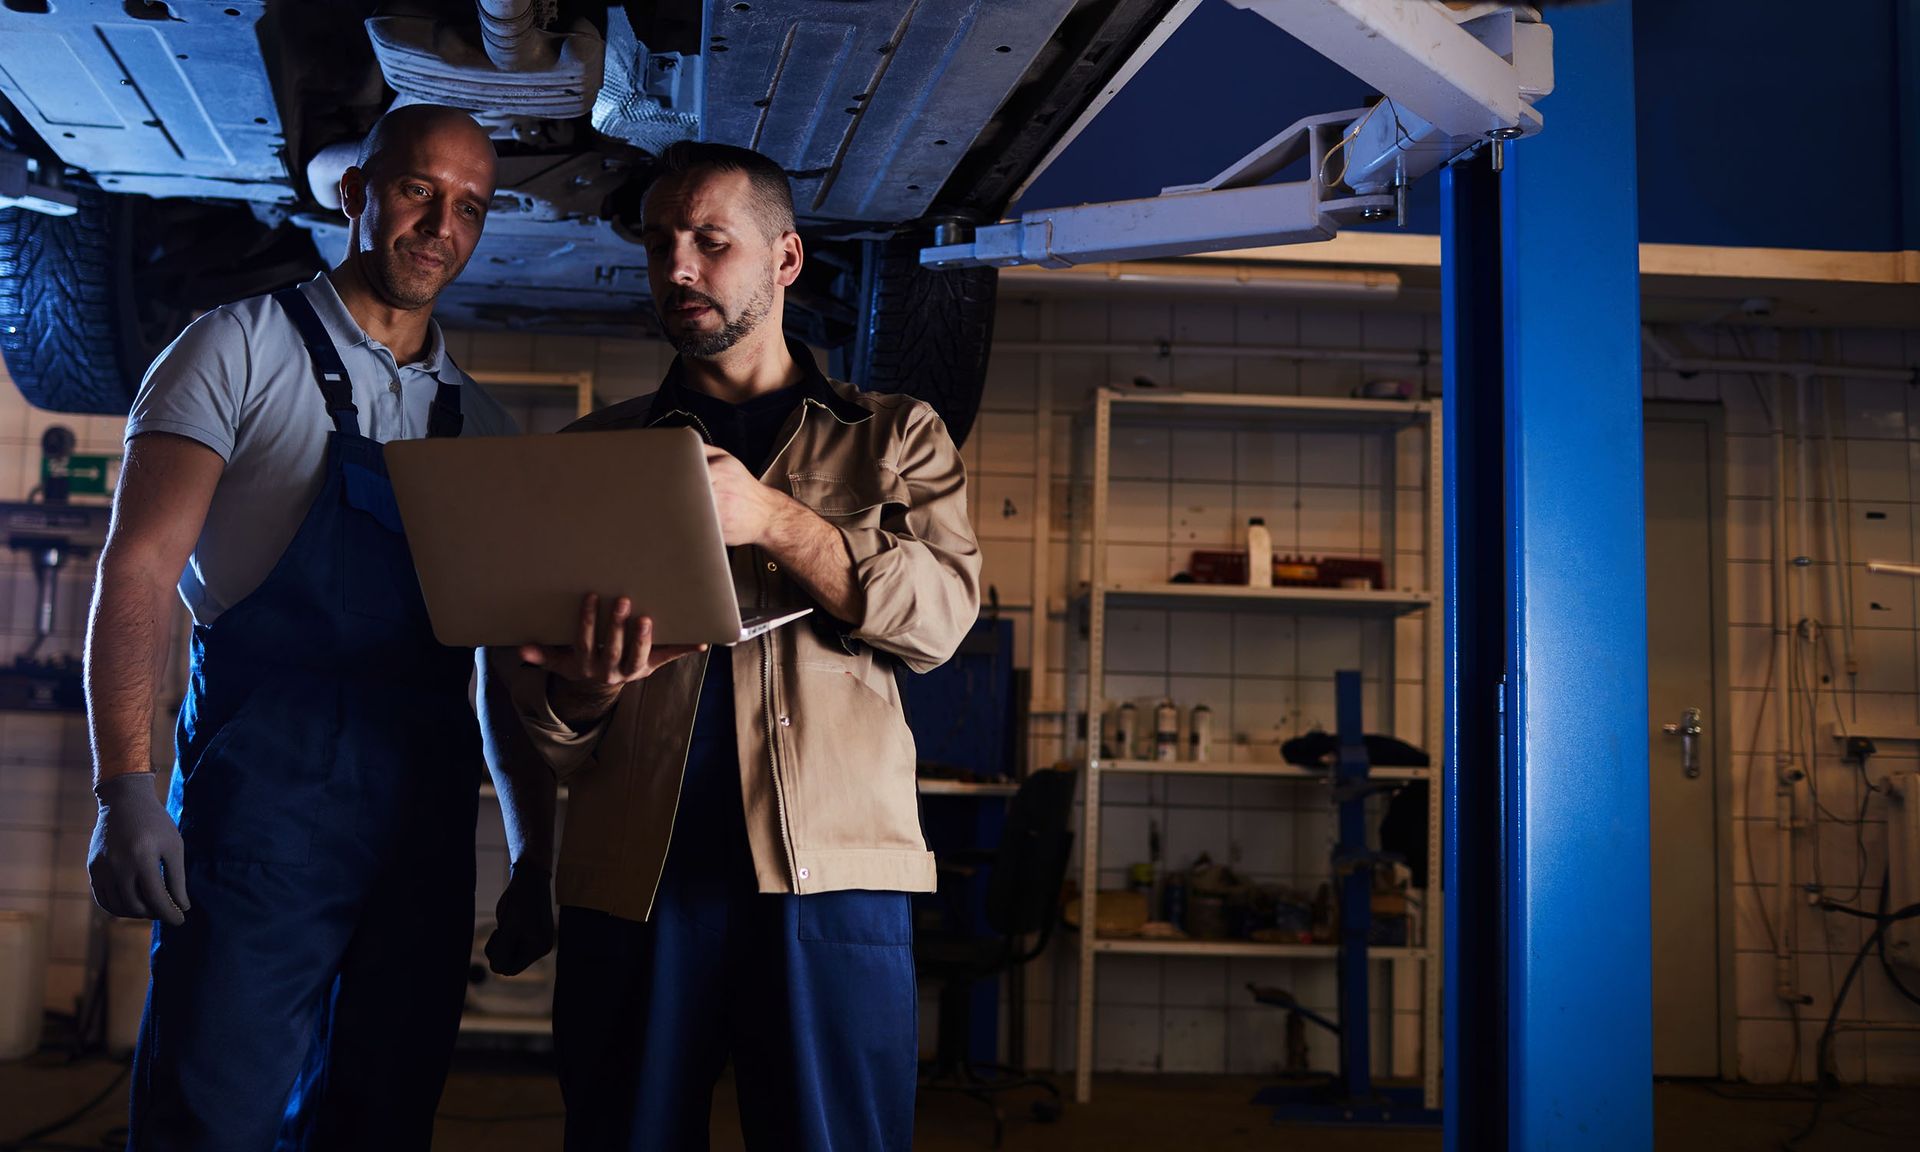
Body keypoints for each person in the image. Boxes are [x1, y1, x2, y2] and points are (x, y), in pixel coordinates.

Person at [83, 103, 553, 1150]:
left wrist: (533, 847)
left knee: (385, 1115)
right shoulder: (235, 348)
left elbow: (498, 664)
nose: (440, 224)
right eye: (418, 190)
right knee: (218, 1111)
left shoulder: (478, 425)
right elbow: (141, 569)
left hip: (422, 821)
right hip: (265, 802)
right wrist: (126, 790)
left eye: (469, 207)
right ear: (356, 193)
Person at [506, 140, 982, 1151]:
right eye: (661, 242)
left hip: (834, 880)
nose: (678, 266)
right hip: (636, 880)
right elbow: (541, 726)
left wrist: (776, 519)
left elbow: (942, 621)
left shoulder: (896, 437)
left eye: (710, 241)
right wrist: (584, 693)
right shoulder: (594, 459)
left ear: (785, 261)